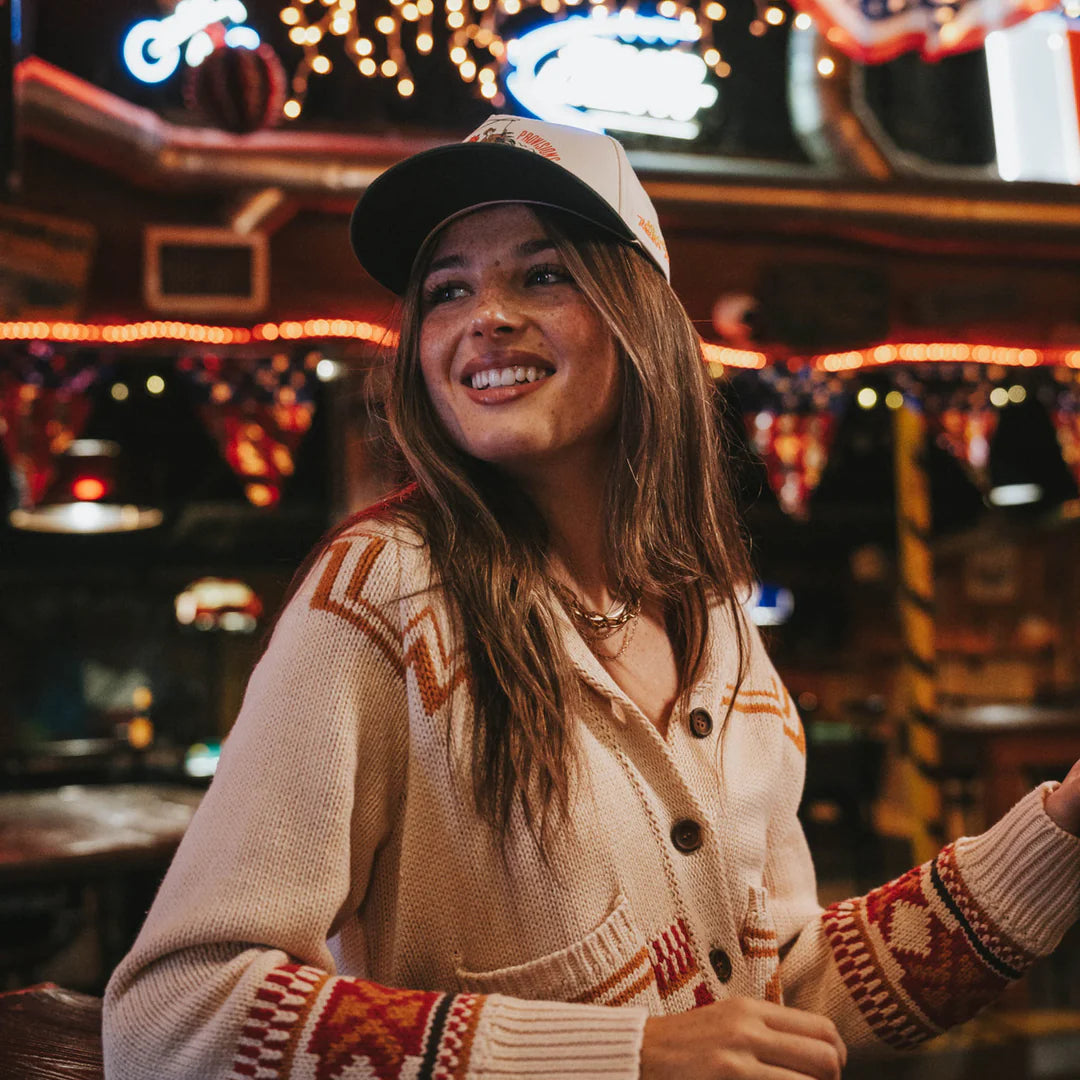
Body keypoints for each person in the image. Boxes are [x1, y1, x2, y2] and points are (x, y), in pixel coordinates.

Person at [102, 115, 1080, 1080]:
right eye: (446, 290)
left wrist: (1064, 827)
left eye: (542, 274)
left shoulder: (717, 623)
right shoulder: (384, 591)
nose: (486, 313)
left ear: (637, 316)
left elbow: (778, 1002)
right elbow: (177, 1016)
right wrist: (629, 1059)